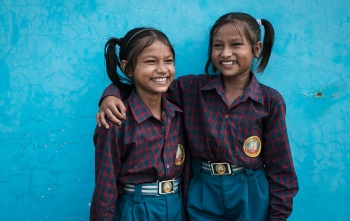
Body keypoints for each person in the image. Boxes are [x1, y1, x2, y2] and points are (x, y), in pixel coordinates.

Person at [96, 12, 299, 221]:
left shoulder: (270, 101)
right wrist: (111, 94)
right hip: (203, 192)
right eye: (218, 46)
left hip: (250, 191)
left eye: (236, 45)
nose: (226, 53)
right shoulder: (192, 89)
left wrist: (278, 215)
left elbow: (281, 168)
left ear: (257, 49)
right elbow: (148, 86)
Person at [90, 27, 191, 221]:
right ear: (128, 68)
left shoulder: (177, 113)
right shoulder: (116, 120)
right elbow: (105, 185)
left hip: (175, 206)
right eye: (151, 61)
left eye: (168, 61)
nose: (162, 69)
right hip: (135, 209)